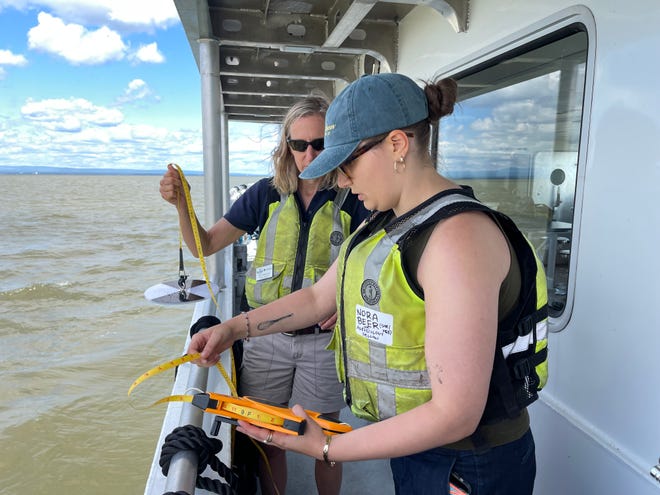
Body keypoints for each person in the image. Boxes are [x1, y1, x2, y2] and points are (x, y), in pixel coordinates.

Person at [186, 73, 549, 495]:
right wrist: (233, 328)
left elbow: (456, 414)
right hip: (416, 444)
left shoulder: (457, 239)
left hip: (468, 462)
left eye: (348, 163)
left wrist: (327, 447)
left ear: (396, 145)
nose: (341, 180)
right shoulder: (387, 222)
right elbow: (318, 298)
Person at [160, 94, 370, 495]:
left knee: (328, 443)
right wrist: (182, 204)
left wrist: (347, 306)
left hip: (324, 343)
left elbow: (377, 265)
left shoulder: (355, 196)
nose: (310, 154)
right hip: (264, 340)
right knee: (268, 437)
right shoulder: (266, 194)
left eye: (320, 144)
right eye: (299, 144)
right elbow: (205, 245)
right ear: (286, 148)